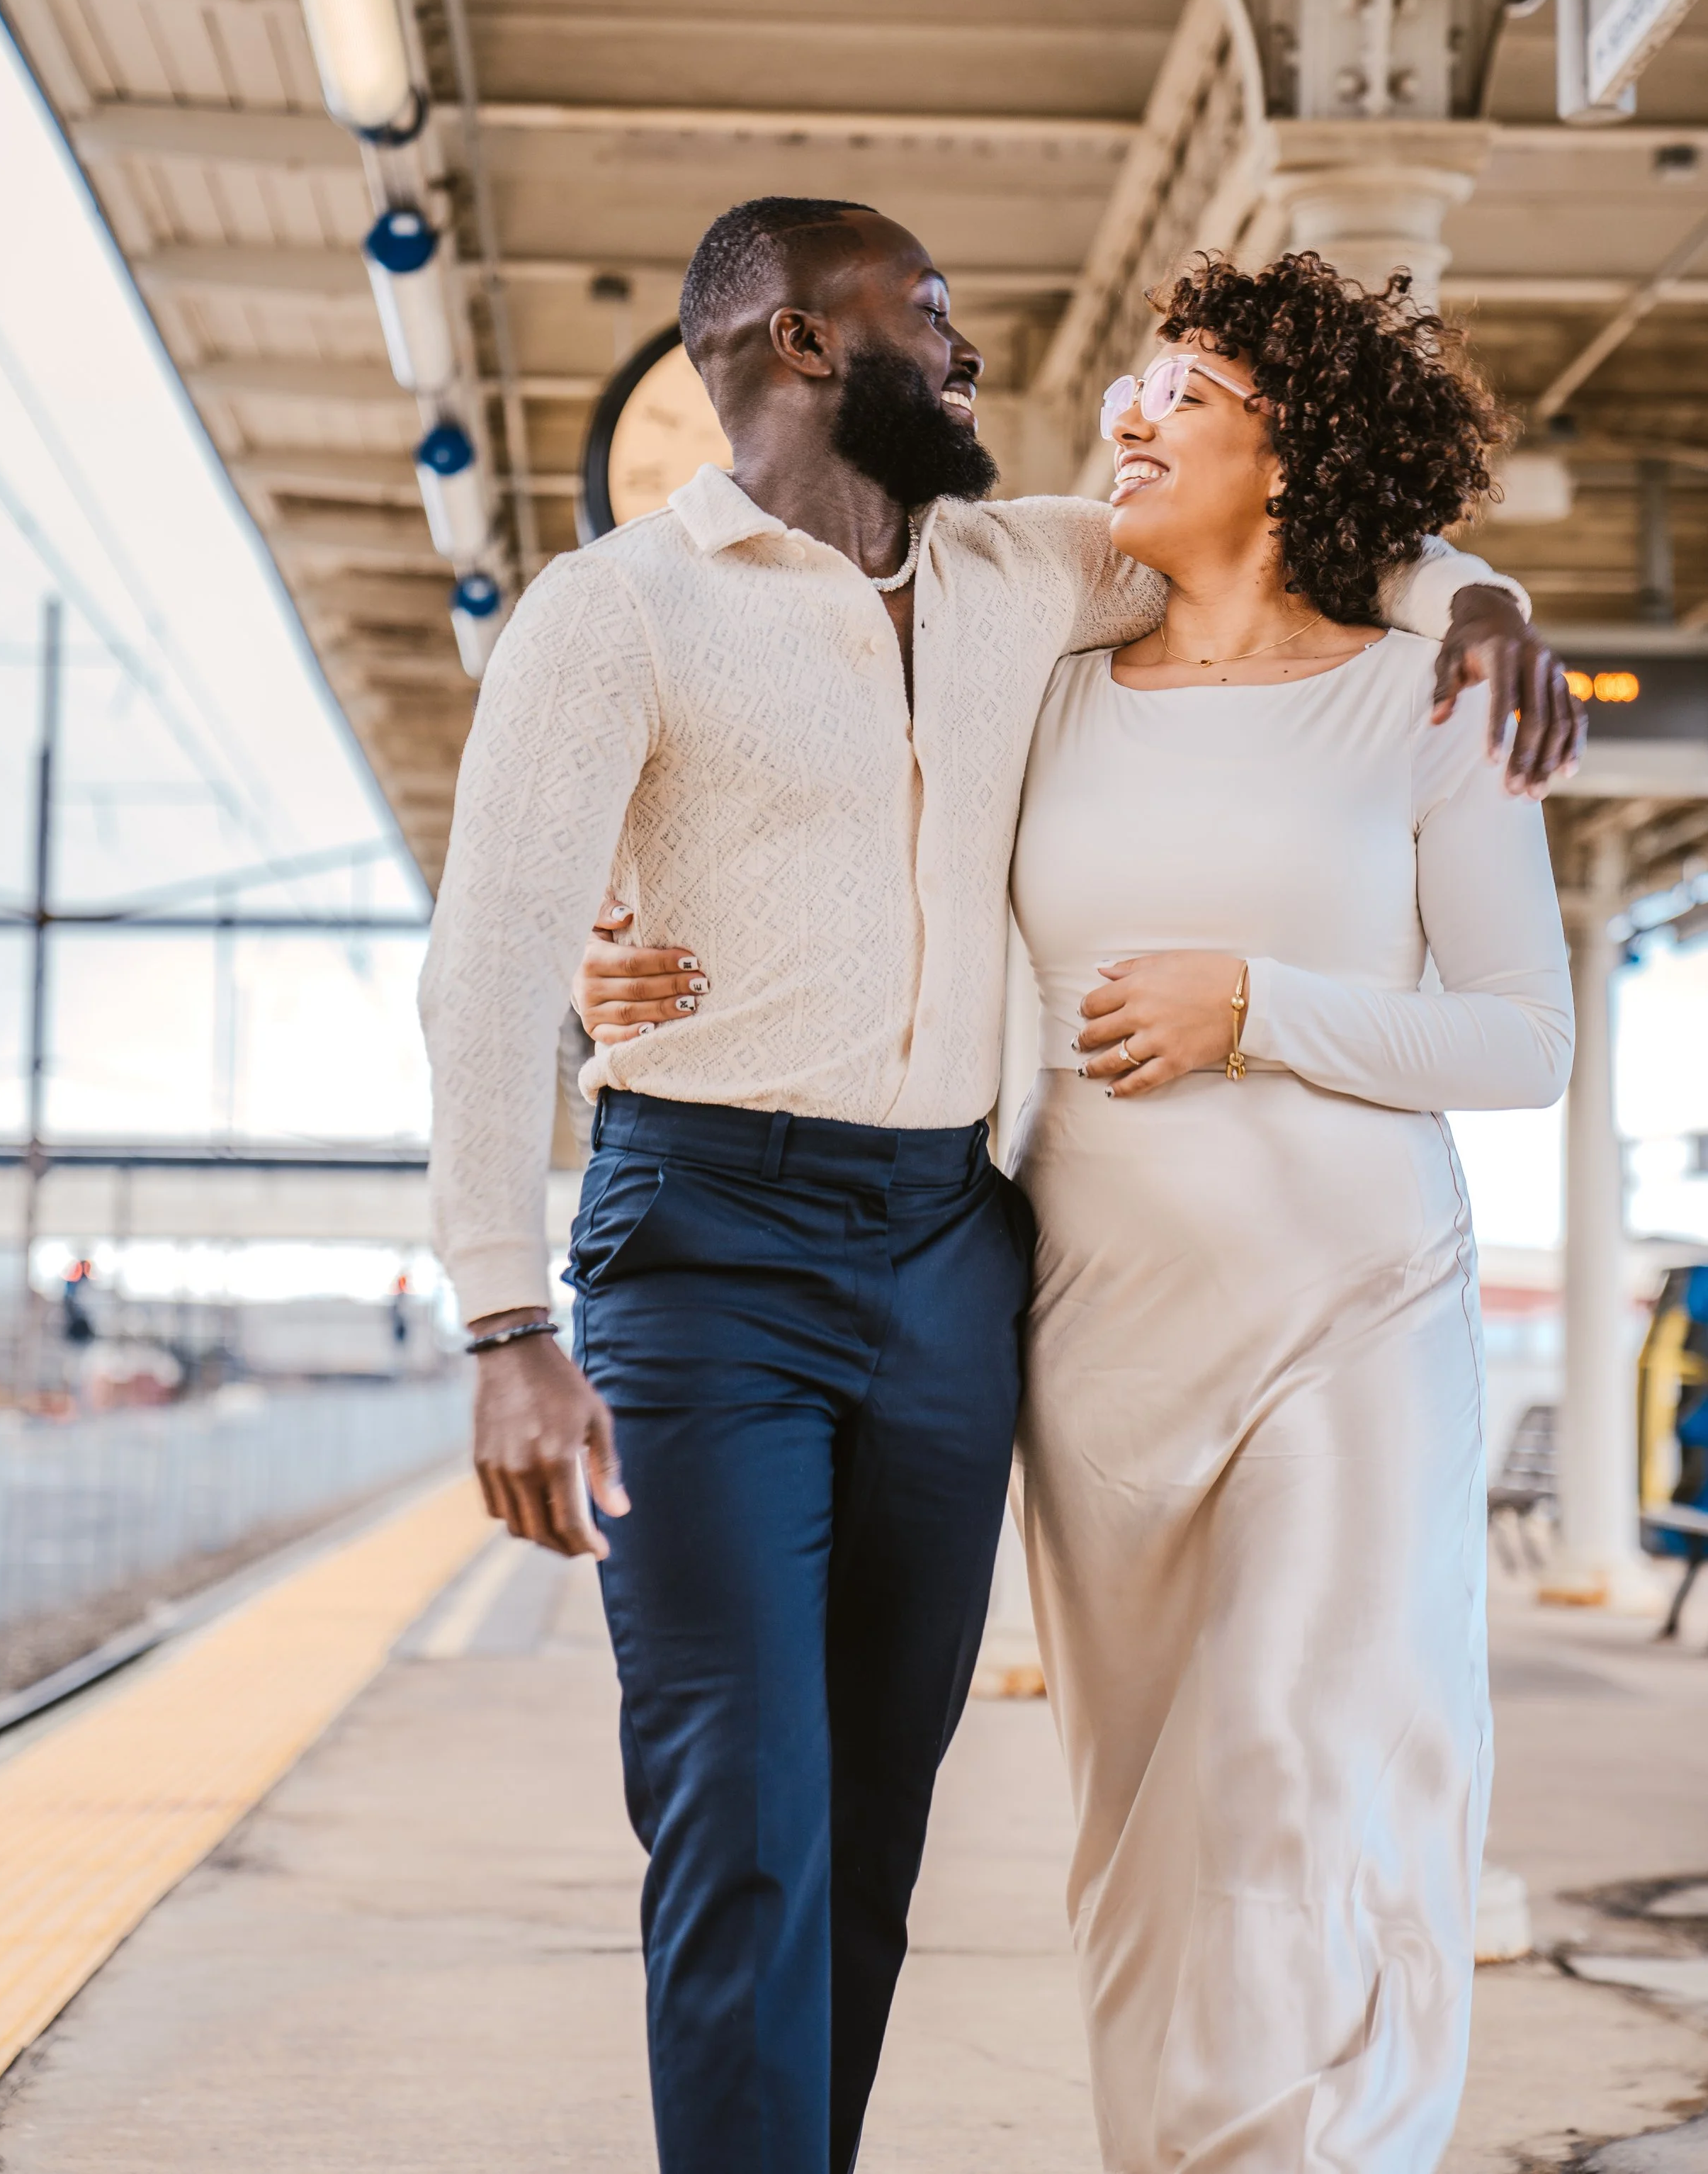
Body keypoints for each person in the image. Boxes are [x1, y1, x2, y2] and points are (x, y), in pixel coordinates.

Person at [419, 198, 1578, 2174]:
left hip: (958, 1251)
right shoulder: (614, 609)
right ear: (800, 347)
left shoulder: (1022, 579)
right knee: (744, 1797)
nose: (975, 361)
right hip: (711, 1246)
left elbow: (1300, 532)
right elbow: (494, 960)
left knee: (878, 1811)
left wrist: (1474, 588)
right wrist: (507, 1314)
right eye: (928, 320)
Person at [1005, 253, 1571, 2171]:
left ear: (1288, 450)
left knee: (1293, 1785)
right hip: (1097, 1352)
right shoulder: (1047, 687)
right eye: (1131, 387)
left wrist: (1252, 1004)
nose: (1127, 416)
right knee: (1144, 1852)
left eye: (1181, 386)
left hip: (1348, 1327)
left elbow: (1519, 1041)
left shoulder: (1432, 691)